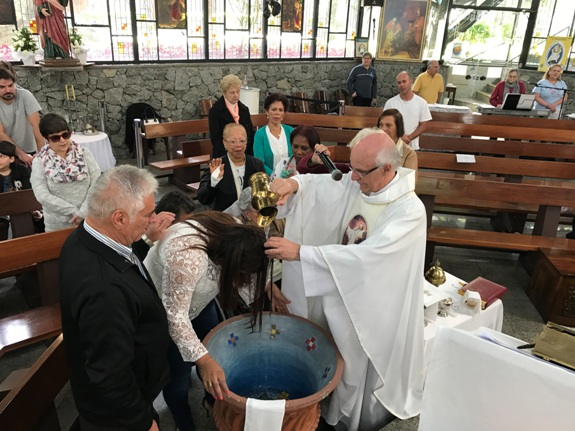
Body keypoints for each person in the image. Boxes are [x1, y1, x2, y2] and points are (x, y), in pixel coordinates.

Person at [264, 129, 426, 430]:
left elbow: (369, 259)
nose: (352, 177)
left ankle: (355, 418)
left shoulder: (408, 211)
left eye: (360, 172)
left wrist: (301, 253)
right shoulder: (364, 184)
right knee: (334, 354)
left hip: (371, 309)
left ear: (386, 169)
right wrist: (294, 184)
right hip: (340, 293)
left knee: (356, 368)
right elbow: (323, 186)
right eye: (352, 168)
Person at [144, 211, 289, 431]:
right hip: (163, 312)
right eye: (241, 273)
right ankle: (184, 423)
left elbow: (248, 269)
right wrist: (204, 361)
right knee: (178, 376)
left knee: (215, 354)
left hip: (200, 301)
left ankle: (213, 402)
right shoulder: (187, 257)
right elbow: (175, 317)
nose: (244, 279)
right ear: (228, 263)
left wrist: (267, 286)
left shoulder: (237, 232)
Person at [59, 165, 171, 431]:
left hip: (119, 390)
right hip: (118, 416)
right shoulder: (104, 289)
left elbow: (121, 260)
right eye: (148, 214)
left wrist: (143, 240)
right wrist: (142, 422)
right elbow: (110, 372)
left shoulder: (85, 237)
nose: (153, 219)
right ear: (119, 218)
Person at [31, 113, 100, 231]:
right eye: (55, 138)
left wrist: (83, 212)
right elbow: (42, 195)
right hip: (57, 225)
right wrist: (73, 212)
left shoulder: (84, 153)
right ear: (47, 139)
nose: (62, 140)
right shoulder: (39, 161)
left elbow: (97, 182)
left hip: (90, 218)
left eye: (65, 135)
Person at [197, 123, 265, 211]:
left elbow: (263, 194)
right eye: (233, 141)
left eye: (242, 141)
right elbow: (203, 198)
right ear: (224, 143)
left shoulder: (257, 164)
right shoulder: (216, 165)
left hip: (251, 216)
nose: (238, 145)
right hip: (224, 217)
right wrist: (214, 180)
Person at [0, 67, 44, 167]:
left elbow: (36, 126)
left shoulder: (25, 95)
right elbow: (0, 133)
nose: (8, 90)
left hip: (29, 148)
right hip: (4, 152)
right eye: (2, 87)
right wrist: (21, 154)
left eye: (10, 85)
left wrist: (42, 154)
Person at [0, 140, 43, 240]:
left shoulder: (21, 170)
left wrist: (32, 209)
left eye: (1, 156)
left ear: (11, 159)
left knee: (27, 219)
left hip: (22, 209)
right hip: (2, 212)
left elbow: (29, 192)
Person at [209, 74, 255, 157]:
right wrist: (231, 156)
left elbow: (250, 134)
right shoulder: (215, 111)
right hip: (223, 155)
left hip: (244, 154)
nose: (236, 95)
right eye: (232, 92)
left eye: (238, 91)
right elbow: (216, 139)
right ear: (224, 93)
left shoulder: (244, 110)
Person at [384, 71, 432, 150]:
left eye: (404, 81)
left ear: (411, 81)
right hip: (393, 146)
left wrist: (409, 138)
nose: (401, 85)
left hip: (412, 147)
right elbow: (386, 125)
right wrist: (399, 137)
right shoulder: (390, 103)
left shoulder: (421, 103)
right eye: (399, 83)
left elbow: (423, 125)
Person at [253, 92, 294, 175]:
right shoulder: (260, 135)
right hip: (270, 178)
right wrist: (275, 176)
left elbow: (297, 156)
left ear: (284, 113)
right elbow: (259, 163)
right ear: (267, 111)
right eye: (274, 109)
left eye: (280, 110)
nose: (277, 113)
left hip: (291, 177)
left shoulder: (290, 131)